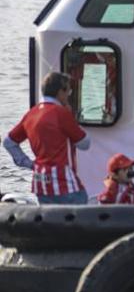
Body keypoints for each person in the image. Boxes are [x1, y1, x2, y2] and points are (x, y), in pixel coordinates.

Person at [4, 72, 91, 204]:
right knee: (81, 205)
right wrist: (73, 120)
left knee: (51, 221)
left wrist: (28, 163)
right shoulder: (61, 113)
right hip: (64, 182)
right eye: (68, 90)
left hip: (40, 182)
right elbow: (84, 144)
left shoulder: (32, 113)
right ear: (60, 92)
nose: (69, 95)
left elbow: (8, 142)